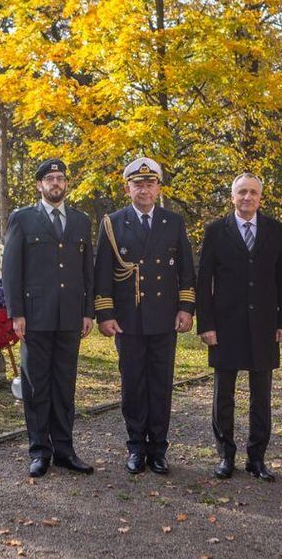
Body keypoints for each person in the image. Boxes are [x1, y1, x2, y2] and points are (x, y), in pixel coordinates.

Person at [94, 157, 196, 475]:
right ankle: (136, 447)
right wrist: (105, 314)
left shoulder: (173, 222)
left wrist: (186, 308)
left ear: (158, 188)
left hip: (164, 318)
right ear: (128, 188)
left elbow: (185, 271)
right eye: (138, 184)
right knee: (133, 384)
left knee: (161, 384)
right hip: (128, 319)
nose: (144, 189)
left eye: (150, 184)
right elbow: (102, 274)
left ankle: (159, 449)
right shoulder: (113, 222)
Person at [196, 173, 282, 481]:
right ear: (232, 197)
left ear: (260, 197)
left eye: (253, 192)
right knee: (223, 395)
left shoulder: (275, 230)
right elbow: (203, 282)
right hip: (225, 326)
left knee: (261, 396)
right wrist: (206, 324)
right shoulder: (215, 231)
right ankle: (226, 455)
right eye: (242, 192)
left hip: (264, 325)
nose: (247, 197)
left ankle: (257, 457)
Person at [3, 159, 95, 478]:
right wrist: (16, 313)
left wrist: (88, 311)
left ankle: (65, 450)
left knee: (64, 386)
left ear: (65, 184)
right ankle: (40, 451)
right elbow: (12, 271)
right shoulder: (22, 219)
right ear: (39, 185)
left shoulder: (81, 221)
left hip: (70, 316)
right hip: (35, 317)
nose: (56, 183)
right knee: (37, 386)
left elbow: (88, 272)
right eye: (50, 178)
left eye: (60, 178)